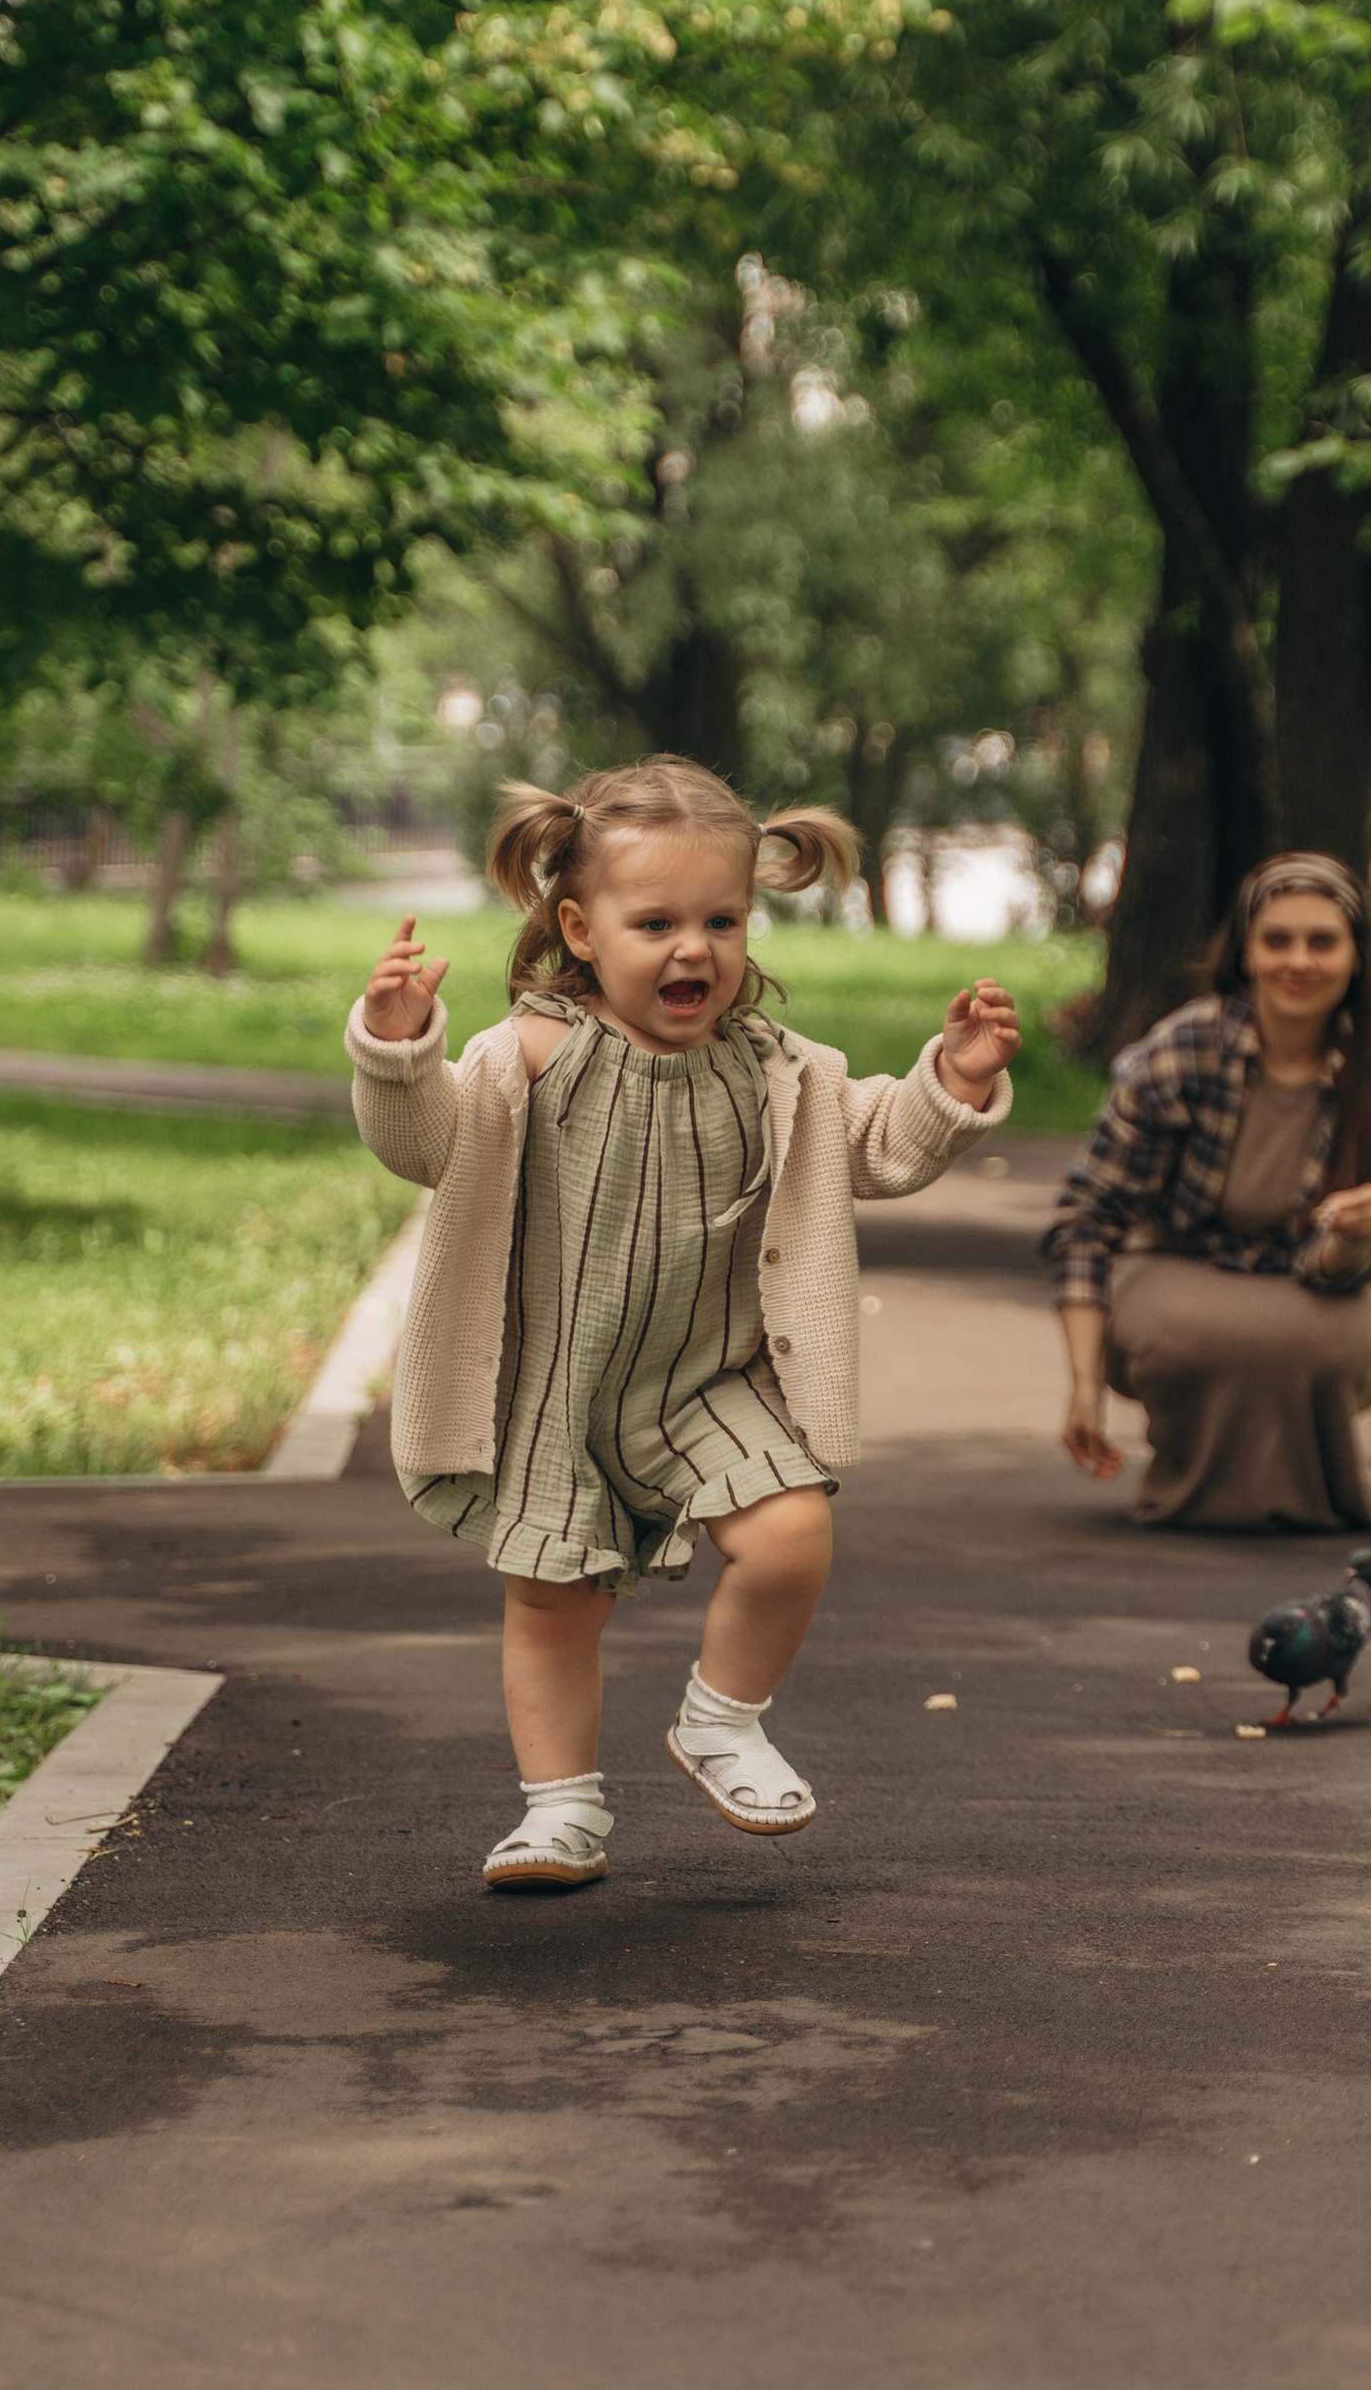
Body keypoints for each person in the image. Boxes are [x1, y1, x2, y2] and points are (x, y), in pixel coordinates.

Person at [347, 755, 1018, 1892]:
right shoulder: (525, 1057)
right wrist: (398, 1043)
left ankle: (721, 1718)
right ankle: (559, 1812)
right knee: (553, 1606)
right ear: (580, 925)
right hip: (552, 1390)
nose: (692, 947)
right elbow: (423, 1144)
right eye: (654, 919)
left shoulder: (774, 1071)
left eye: (722, 918)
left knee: (793, 1532)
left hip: (710, 1382)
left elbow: (876, 1145)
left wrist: (949, 1079)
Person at [1044, 852, 1371, 1532]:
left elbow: (1333, 1270)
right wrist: (1082, 1388)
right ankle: (1190, 1484)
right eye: (1277, 940)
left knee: (1329, 1343)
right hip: (1176, 1261)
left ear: (1355, 958)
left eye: (1322, 942)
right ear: (1245, 953)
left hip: (1313, 1278)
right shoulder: (1180, 1052)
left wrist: (1351, 1237)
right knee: (1189, 1333)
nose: (1298, 962)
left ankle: (1306, 1498)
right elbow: (1086, 1221)